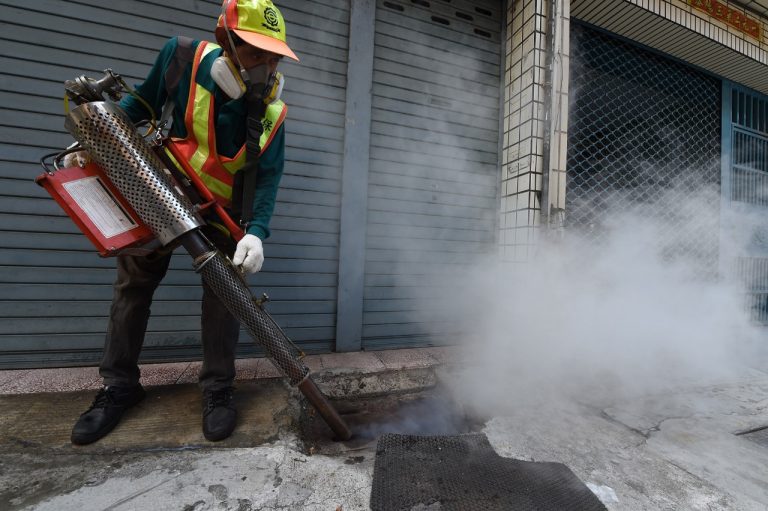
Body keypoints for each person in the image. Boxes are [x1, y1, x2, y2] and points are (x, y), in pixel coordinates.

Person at [70, 0, 299, 445]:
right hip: (163, 194)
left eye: (274, 57)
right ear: (224, 41)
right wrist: (95, 142)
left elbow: (268, 178)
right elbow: (136, 108)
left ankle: (217, 390)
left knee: (224, 302)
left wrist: (256, 231)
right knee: (133, 291)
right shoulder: (180, 57)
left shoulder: (272, 113)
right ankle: (118, 387)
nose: (266, 68)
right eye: (256, 54)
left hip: (220, 214)